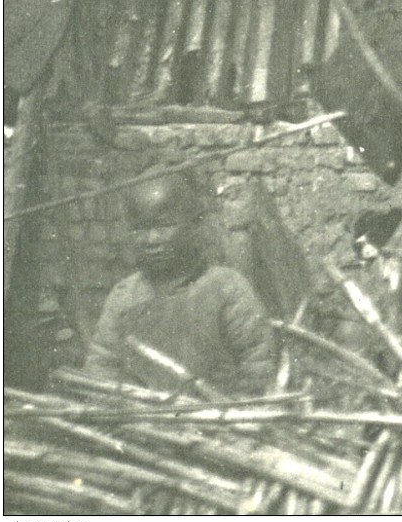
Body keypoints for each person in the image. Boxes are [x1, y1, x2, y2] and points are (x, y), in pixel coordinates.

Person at [84, 166, 277, 396]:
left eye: (164, 226)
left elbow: (258, 369)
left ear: (193, 226)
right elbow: (102, 369)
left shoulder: (226, 289)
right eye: (140, 229)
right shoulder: (125, 296)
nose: (151, 240)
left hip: (218, 423)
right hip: (139, 424)